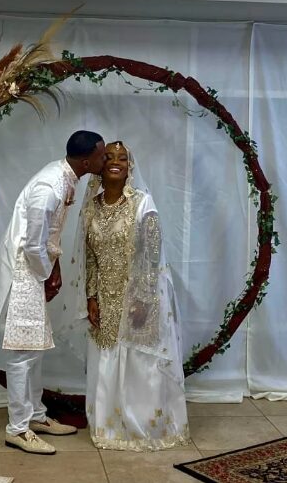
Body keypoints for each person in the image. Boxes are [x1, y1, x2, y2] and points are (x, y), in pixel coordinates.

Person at [0, 130, 106, 455]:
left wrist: (53, 268)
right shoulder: (50, 187)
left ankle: (35, 415)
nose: (105, 160)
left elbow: (49, 236)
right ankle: (17, 429)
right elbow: (33, 245)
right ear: (86, 161)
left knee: (34, 350)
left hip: (34, 269)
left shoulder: (66, 176)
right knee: (22, 354)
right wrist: (47, 275)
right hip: (23, 274)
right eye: (102, 155)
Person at [73, 140, 189, 451]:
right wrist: (91, 297)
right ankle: (108, 427)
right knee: (106, 358)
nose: (115, 162)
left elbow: (152, 255)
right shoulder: (91, 207)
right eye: (109, 157)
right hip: (104, 297)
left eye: (122, 158)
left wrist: (143, 299)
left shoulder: (142, 203)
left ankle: (142, 427)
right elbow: (89, 257)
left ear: (130, 166)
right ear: (99, 165)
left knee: (139, 362)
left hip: (137, 298)